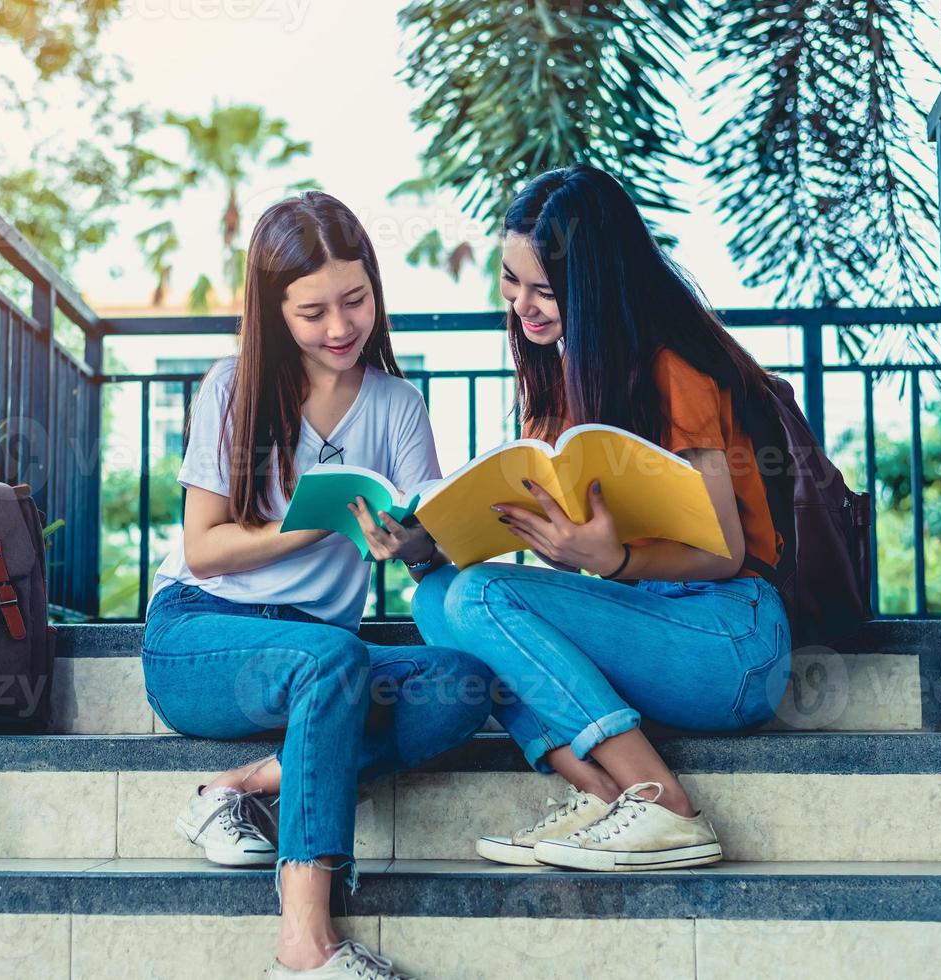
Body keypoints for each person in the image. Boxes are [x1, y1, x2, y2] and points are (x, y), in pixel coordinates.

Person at [142, 191, 491, 979]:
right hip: (201, 636)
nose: (340, 328)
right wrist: (320, 522)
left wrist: (413, 540)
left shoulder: (398, 405)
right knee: (335, 659)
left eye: (356, 300)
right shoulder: (231, 387)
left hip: (319, 657)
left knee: (464, 683)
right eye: (312, 312)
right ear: (275, 312)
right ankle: (304, 945)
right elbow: (203, 549)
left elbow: (426, 547)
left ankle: (238, 788)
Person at [413, 163, 794, 872]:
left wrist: (611, 559)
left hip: (730, 634)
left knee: (482, 594)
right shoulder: (559, 382)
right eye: (511, 282)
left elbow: (726, 554)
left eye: (546, 291)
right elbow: (563, 552)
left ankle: (665, 806)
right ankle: (603, 794)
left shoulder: (675, 372)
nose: (524, 306)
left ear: (593, 286)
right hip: (643, 623)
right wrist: (426, 540)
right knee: (437, 594)